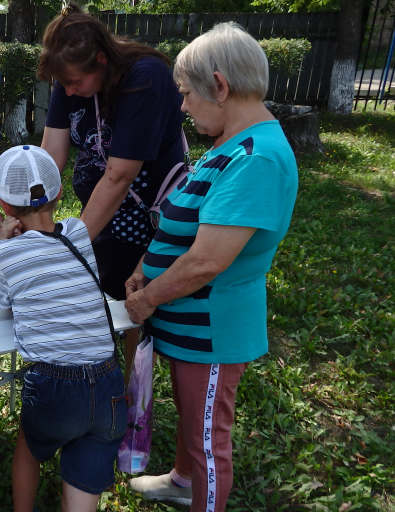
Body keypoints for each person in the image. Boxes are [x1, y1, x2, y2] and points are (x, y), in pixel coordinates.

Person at [123, 23, 298, 512]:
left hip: (211, 330)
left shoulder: (256, 157)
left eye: (185, 93)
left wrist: (147, 298)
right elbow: (182, 222)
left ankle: (201, 493)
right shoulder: (231, 145)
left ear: (219, 87)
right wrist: (144, 265)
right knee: (191, 419)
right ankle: (182, 482)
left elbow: (207, 261)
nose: (182, 105)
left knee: (208, 438)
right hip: (188, 325)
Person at [37, 3, 185, 377]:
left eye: (75, 83)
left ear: (101, 60)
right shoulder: (66, 80)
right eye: (64, 85)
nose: (69, 91)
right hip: (102, 214)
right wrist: (33, 214)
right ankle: (98, 383)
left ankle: (130, 395)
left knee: (134, 306)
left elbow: (120, 176)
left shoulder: (145, 77)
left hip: (147, 217)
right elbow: (51, 156)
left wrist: (71, 246)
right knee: (99, 299)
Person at [0, 145, 126, 512]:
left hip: (55, 385)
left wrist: (3, 243)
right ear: (60, 192)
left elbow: (4, 301)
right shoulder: (78, 233)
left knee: (29, 448)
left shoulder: (5, 253)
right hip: (108, 378)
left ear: (3, 205)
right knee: (84, 477)